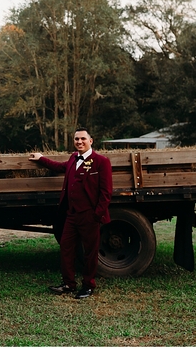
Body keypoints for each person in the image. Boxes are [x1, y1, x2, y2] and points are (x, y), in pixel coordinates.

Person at [29, 128, 112, 299]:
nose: (79, 142)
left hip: (89, 215)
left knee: (90, 252)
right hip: (71, 214)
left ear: (91, 141)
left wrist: (96, 215)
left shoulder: (101, 162)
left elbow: (106, 192)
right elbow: (59, 167)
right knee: (66, 247)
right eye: (76, 139)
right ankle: (68, 283)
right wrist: (41, 158)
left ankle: (88, 285)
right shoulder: (73, 158)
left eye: (83, 139)